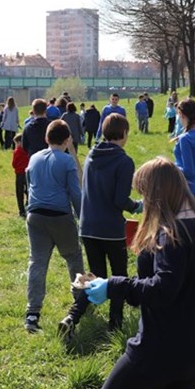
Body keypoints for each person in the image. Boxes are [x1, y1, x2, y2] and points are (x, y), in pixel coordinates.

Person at [86, 156, 195, 389]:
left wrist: (114, 286)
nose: (144, 202)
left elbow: (162, 290)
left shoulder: (171, 233)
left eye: (145, 194)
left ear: (157, 194)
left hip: (162, 345)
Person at [65, 114, 142, 338]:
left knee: (94, 276)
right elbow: (120, 200)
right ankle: (115, 326)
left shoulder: (91, 154)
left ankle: (72, 317)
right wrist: (137, 206)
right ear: (124, 133)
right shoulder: (124, 161)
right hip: (111, 229)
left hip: (87, 227)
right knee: (118, 277)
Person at [24, 120, 84, 332]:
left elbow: (28, 182)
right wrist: (82, 218)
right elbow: (75, 193)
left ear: (46, 139)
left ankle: (32, 314)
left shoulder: (34, 158)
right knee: (74, 257)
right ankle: (80, 300)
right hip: (60, 215)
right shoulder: (67, 161)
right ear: (68, 140)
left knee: (37, 262)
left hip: (35, 214)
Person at [173, 98, 195, 204]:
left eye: (179, 116)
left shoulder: (185, 139)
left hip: (189, 190)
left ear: (183, 115)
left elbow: (189, 171)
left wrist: (171, 168)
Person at [12, 133, 30, 217]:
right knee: (28, 190)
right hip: (27, 173)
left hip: (19, 173)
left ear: (19, 142)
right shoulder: (28, 150)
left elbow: (14, 164)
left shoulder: (17, 151)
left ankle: (21, 210)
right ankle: (29, 205)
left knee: (19, 192)